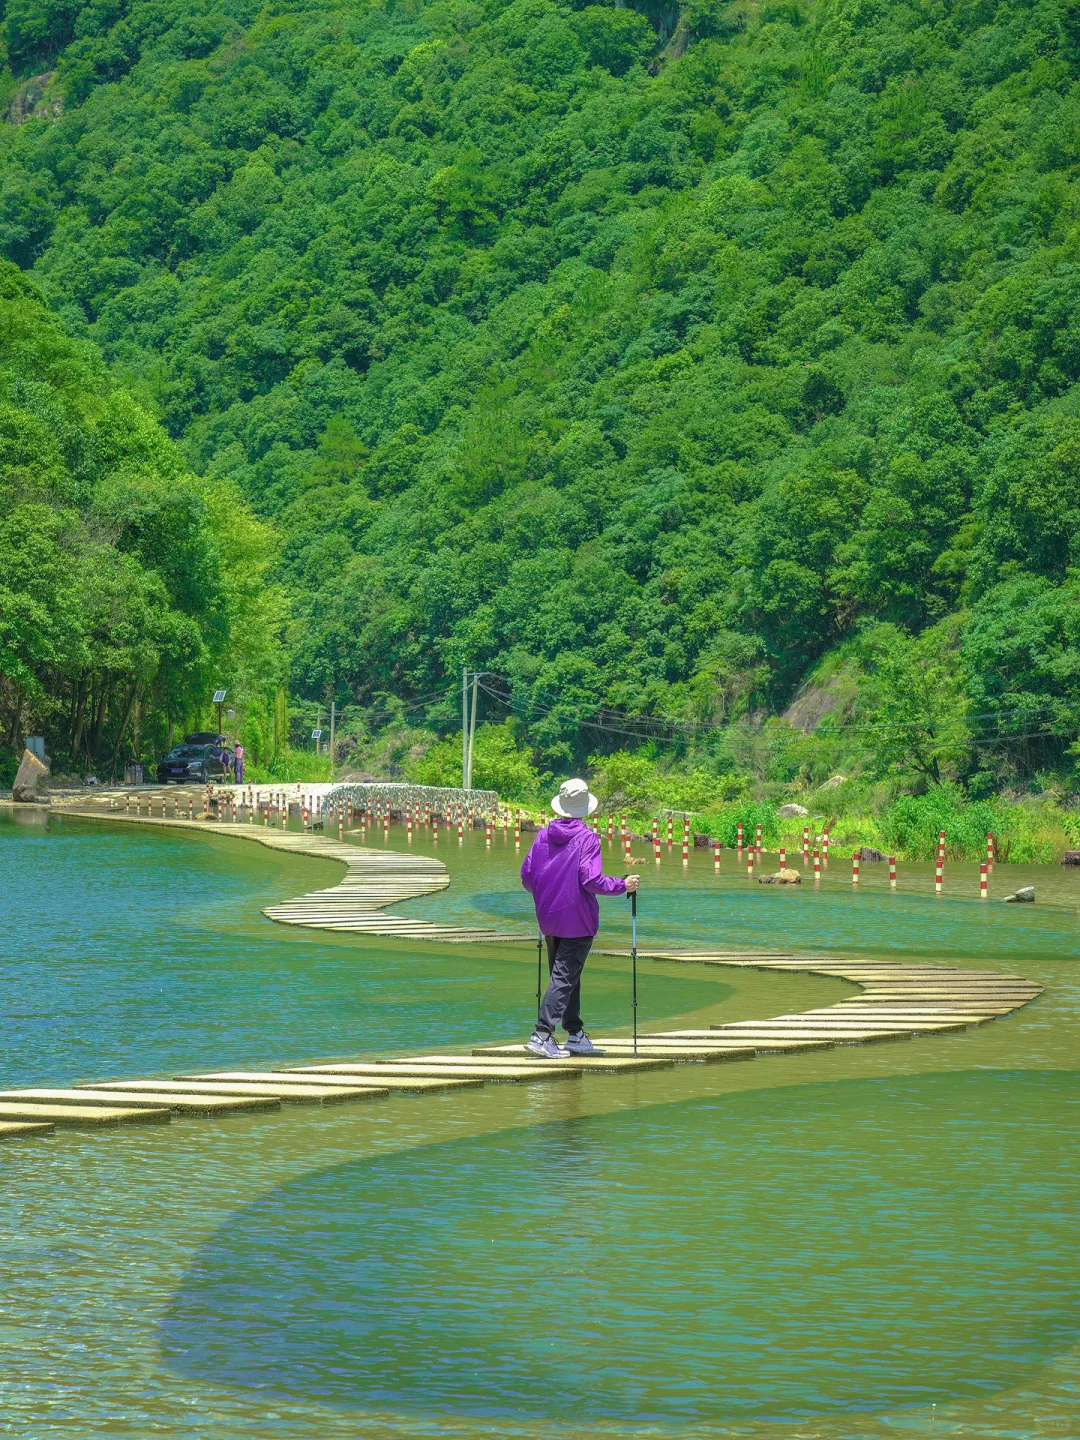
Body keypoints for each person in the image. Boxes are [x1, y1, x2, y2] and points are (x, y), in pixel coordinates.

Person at [520, 777, 640, 1059]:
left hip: (548, 918)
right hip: (578, 920)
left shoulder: (542, 836)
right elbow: (591, 879)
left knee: (565, 976)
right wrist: (623, 885)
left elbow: (527, 877)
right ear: (585, 809)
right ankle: (541, 1034)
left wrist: (546, 893)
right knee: (564, 978)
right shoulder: (587, 838)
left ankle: (575, 1033)